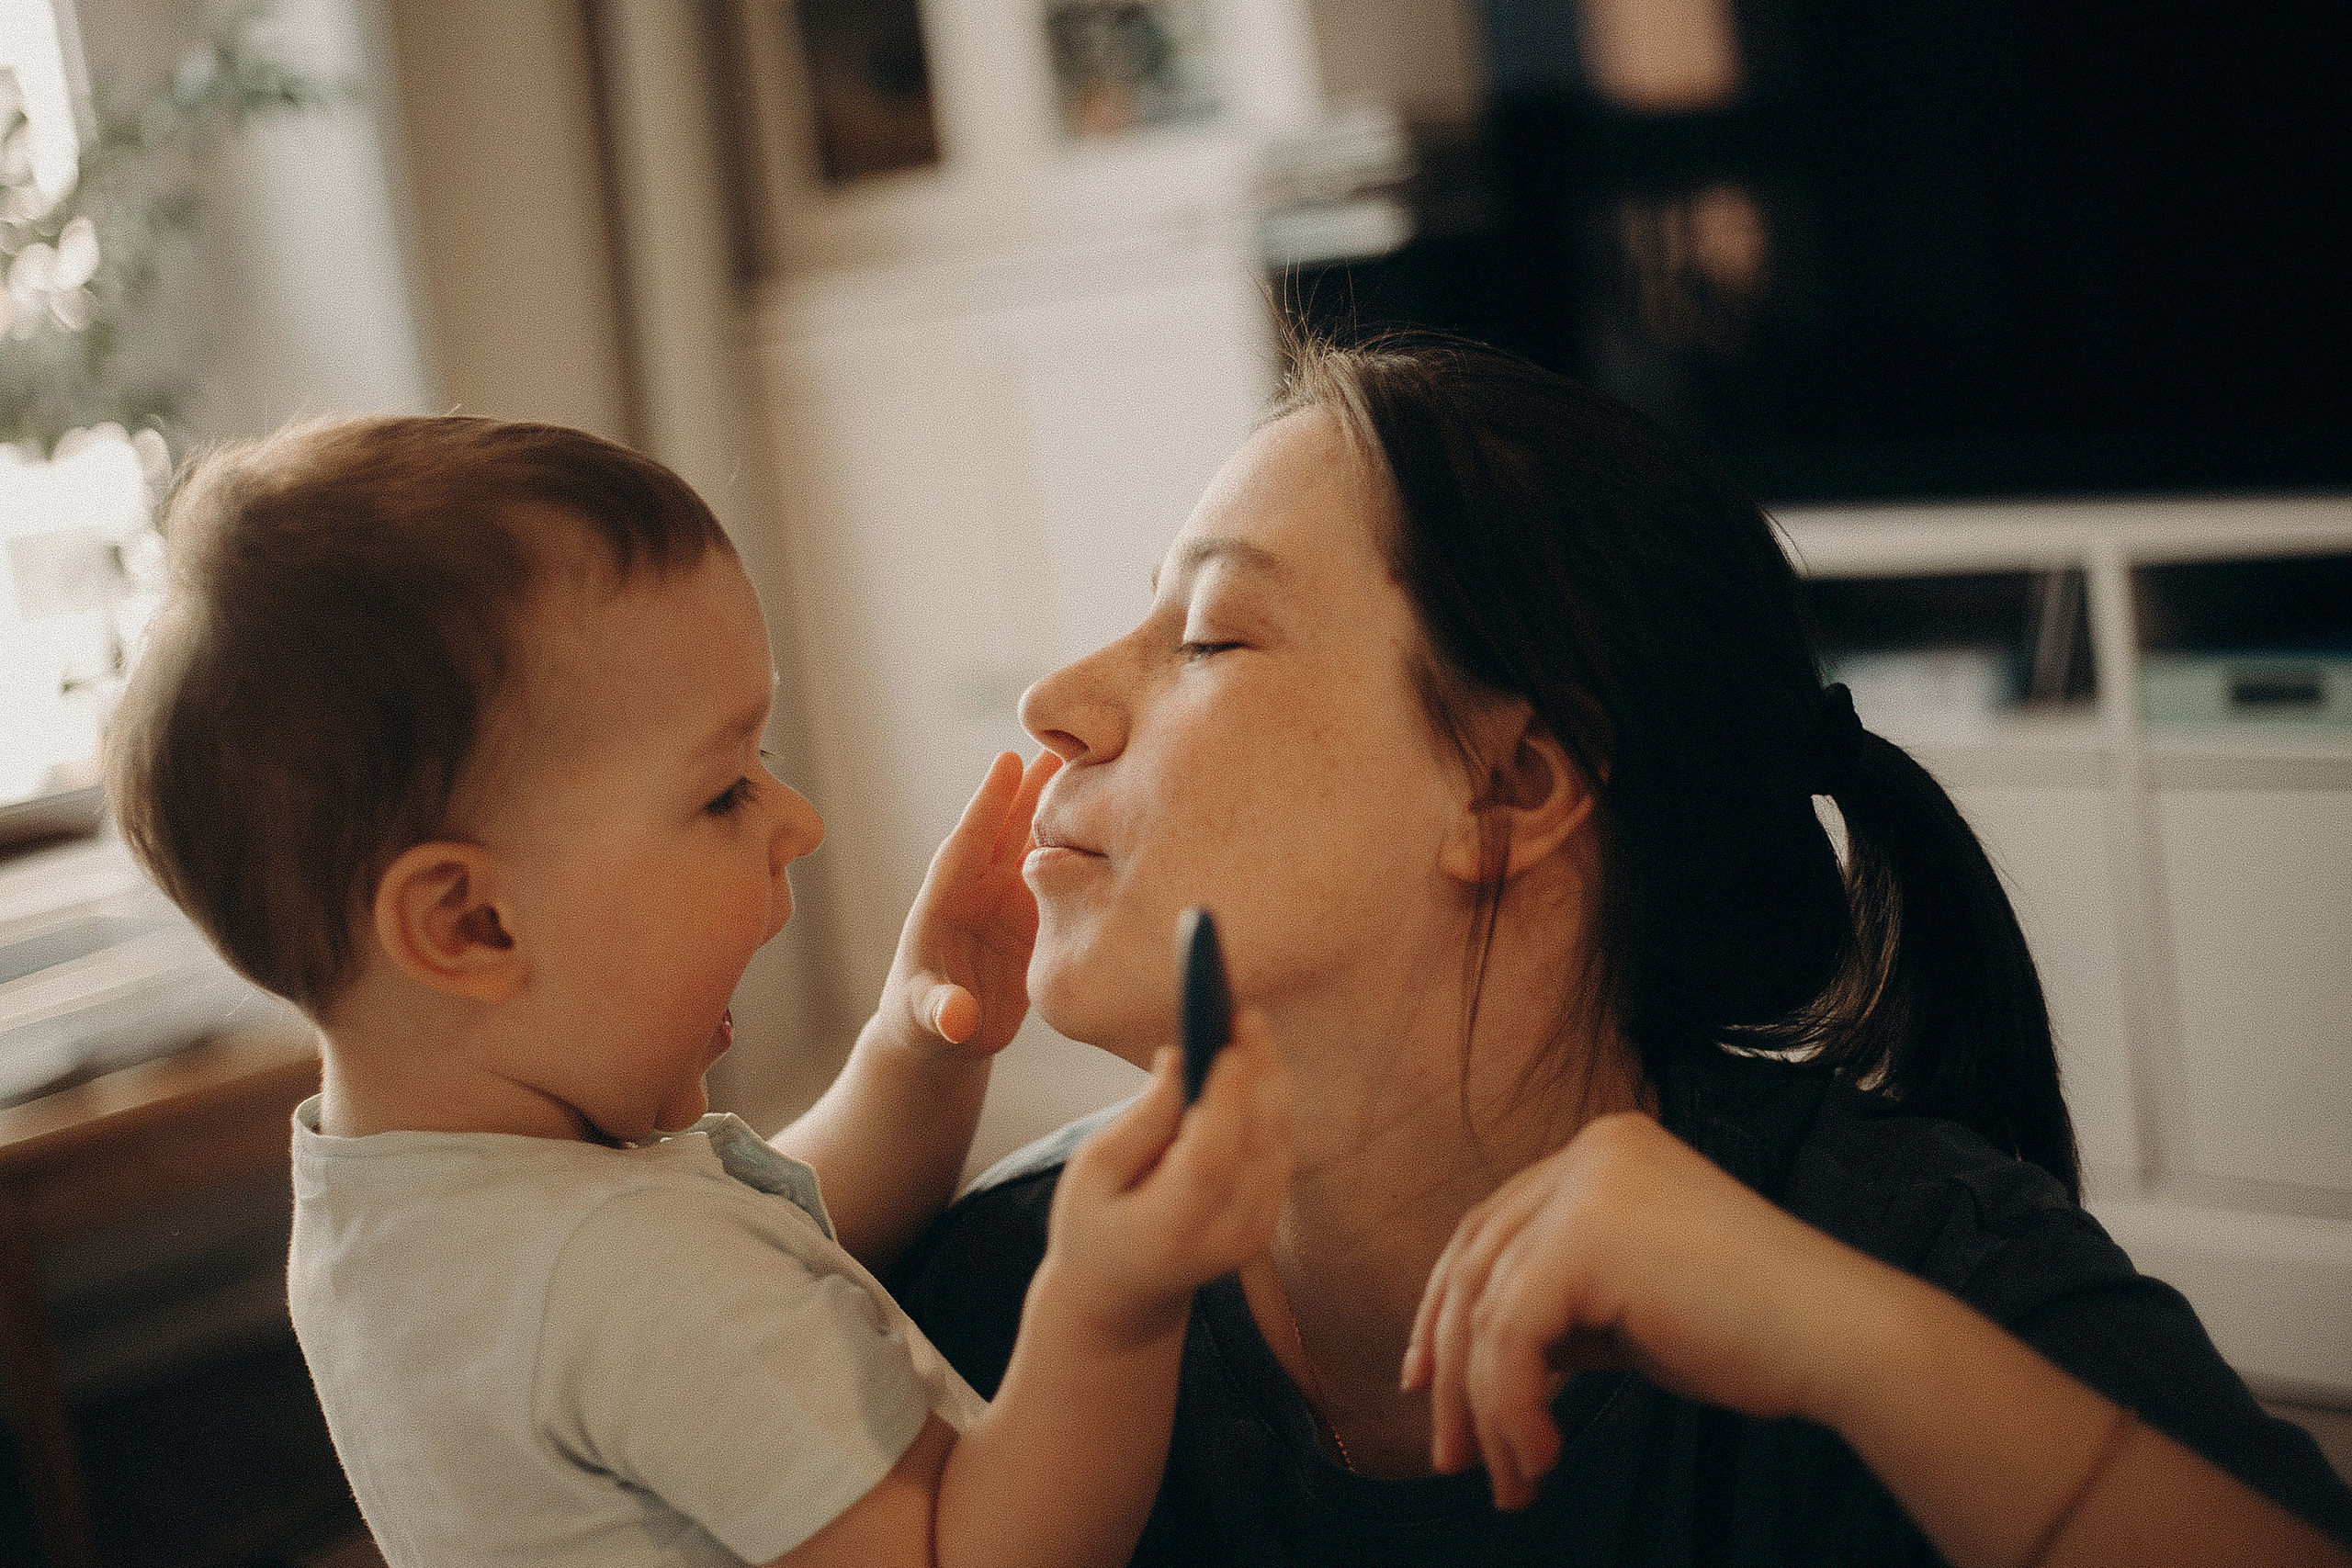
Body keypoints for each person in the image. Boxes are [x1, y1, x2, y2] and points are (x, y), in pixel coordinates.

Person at [889, 333, 2352, 1567]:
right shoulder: (1006, 1291)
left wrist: (1861, 1357)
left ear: (1511, 788)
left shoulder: (1916, 1278)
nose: (1054, 697)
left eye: (1211, 635)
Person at [101, 415, 1294, 1568]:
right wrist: (1112, 1301)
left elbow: (766, 1252)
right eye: (725, 788)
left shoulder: (408, 1214)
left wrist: (917, 1044)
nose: (797, 822)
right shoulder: (620, 1273)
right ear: (470, 922)